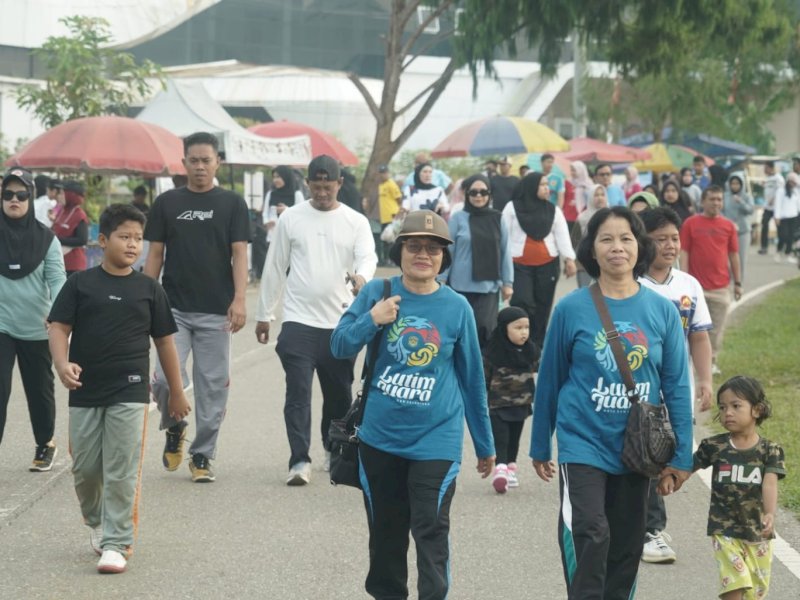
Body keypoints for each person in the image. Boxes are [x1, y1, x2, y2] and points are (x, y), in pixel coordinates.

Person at [330, 209, 495, 600]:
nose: (424, 254)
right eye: (414, 246)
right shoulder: (378, 293)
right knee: (386, 538)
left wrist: (486, 445)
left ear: (443, 259)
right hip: (380, 439)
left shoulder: (457, 308)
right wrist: (373, 318)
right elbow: (339, 345)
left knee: (431, 530)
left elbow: (473, 380)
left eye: (433, 249)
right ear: (399, 251)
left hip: (435, 440)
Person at [531, 205, 693, 600]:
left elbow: (676, 386)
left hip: (637, 447)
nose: (617, 247)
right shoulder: (571, 309)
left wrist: (683, 455)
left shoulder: (662, 311)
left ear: (640, 246)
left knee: (626, 542)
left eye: (626, 238)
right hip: (582, 441)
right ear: (592, 249)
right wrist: (540, 444)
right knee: (590, 532)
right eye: (606, 239)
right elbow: (550, 379)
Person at [48, 203, 190, 574]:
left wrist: (176, 391)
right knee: (87, 469)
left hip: (130, 390)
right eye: (124, 237)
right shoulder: (79, 284)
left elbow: (165, 343)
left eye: (138, 239)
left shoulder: (148, 289)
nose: (132, 245)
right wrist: (62, 364)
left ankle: (117, 541)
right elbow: (58, 328)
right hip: (85, 389)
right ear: (103, 239)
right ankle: (98, 521)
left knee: (122, 467)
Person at [255, 154, 377, 485]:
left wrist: (363, 277)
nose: (322, 193)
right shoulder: (292, 218)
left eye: (328, 187)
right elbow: (275, 266)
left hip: (340, 322)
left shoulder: (355, 221)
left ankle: (330, 446)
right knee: (298, 390)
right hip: (298, 320)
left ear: (339, 184)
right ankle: (299, 459)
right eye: (316, 186)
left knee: (338, 393)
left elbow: (368, 255)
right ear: (307, 184)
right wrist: (264, 314)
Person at [144, 131, 250, 483]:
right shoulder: (167, 203)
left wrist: (239, 299)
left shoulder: (232, 203)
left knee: (213, 385)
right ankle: (174, 426)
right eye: (194, 160)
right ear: (184, 162)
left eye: (207, 160)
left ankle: (203, 454)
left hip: (216, 312)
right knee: (161, 380)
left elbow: (239, 253)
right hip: (172, 310)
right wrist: (144, 298)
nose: (200, 166)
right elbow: (155, 254)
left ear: (217, 161)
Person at [639, 207, 714, 564]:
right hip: (639, 388)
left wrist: (705, 380)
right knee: (648, 453)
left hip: (677, 388)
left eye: (674, 238)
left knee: (667, 455)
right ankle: (650, 529)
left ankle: (645, 524)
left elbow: (699, 337)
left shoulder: (688, 285)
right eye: (660, 240)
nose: (670, 246)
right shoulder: (633, 284)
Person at [687, 376, 785, 600]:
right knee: (734, 581)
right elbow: (687, 467)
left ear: (757, 410)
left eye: (736, 406)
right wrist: (671, 479)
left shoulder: (770, 450)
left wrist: (769, 513)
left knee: (757, 590)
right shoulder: (714, 446)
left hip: (757, 530)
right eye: (722, 407)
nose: (727, 412)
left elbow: (769, 483)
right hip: (725, 528)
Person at [0, 168, 66, 471]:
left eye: (22, 194)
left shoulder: (47, 240)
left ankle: (45, 442)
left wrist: (59, 318)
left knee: (39, 390)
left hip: (37, 327)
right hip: (1, 325)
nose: (15, 199)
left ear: (31, 196)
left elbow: (59, 281)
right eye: (8, 194)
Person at [502, 172, 576, 349]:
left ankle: (537, 348)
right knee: (523, 303)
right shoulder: (512, 208)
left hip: (547, 266)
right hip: (518, 265)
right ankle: (519, 344)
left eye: (547, 185)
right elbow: (503, 237)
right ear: (531, 187)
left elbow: (562, 237)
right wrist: (501, 265)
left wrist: (569, 259)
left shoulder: (553, 210)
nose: (547, 188)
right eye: (542, 185)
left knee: (543, 307)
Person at [444, 174, 513, 347]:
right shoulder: (458, 218)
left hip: (488, 286)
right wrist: (441, 278)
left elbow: (505, 251)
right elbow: (447, 251)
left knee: (485, 329)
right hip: (459, 286)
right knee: (459, 330)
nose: (478, 196)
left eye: (483, 192)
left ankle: (482, 371)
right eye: (473, 192)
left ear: (489, 194)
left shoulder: (499, 218)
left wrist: (508, 282)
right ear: (467, 194)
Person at [680, 185, 742, 376]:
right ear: (702, 201)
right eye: (712, 199)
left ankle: (711, 361)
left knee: (716, 329)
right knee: (690, 327)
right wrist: (684, 280)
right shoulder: (690, 224)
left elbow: (733, 255)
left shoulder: (728, 226)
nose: (716, 203)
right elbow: (684, 252)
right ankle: (688, 361)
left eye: (719, 199)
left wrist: (738, 283)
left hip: (720, 288)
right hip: (695, 287)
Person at [483, 306, 539, 494]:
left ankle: (510, 468)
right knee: (501, 438)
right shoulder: (493, 353)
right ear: (504, 328)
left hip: (521, 403)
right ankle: (500, 469)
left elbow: (542, 367)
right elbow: (483, 378)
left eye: (526, 327)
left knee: (515, 438)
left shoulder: (530, 351)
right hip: (497, 404)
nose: (524, 332)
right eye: (518, 328)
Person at [263, 165, 305, 258]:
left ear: (286, 177)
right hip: (273, 236)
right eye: (274, 177)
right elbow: (265, 213)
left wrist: (287, 210)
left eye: (278, 177)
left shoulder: (296, 194)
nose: (275, 180)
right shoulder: (271, 194)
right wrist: (266, 222)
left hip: (291, 237)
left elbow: (303, 214)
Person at [571, 183, 608, 288]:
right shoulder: (582, 218)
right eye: (596, 195)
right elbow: (575, 241)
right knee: (587, 294)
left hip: (607, 264)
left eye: (602, 194)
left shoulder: (612, 216)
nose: (600, 198)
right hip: (585, 265)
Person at [52, 180, 89, 276]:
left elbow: (82, 240)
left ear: (71, 196)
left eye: (61, 193)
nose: (58, 196)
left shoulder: (79, 214)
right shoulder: (62, 211)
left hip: (73, 266)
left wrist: (57, 239)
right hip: (60, 263)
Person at [723, 174, 755, 280]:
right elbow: (721, 211)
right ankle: (728, 278)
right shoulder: (725, 196)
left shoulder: (746, 196)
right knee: (726, 257)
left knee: (741, 257)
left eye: (737, 183)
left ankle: (739, 280)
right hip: (728, 230)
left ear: (741, 184)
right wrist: (728, 222)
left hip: (743, 231)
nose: (735, 186)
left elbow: (751, 210)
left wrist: (741, 202)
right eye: (733, 183)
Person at [375, 164, 403, 266]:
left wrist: (398, 213)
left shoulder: (391, 184)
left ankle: (393, 260)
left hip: (392, 216)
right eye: (381, 173)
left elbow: (399, 199)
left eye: (385, 173)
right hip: (384, 217)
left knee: (392, 240)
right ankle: (386, 260)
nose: (383, 175)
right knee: (385, 240)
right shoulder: (381, 185)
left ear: (388, 173)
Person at [773, 172, 800, 265]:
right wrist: (777, 217)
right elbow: (778, 204)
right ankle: (778, 251)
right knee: (783, 236)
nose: (792, 184)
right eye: (791, 182)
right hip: (783, 217)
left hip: (793, 216)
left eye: (794, 182)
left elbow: (798, 205)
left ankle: (788, 254)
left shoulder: (795, 191)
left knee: (791, 237)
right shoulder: (781, 191)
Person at [759, 160, 783, 255]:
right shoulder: (768, 178)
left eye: (766, 168)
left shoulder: (779, 178)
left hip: (777, 208)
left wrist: (774, 199)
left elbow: (780, 191)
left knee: (779, 228)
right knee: (764, 224)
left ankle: (780, 247)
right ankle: (764, 247)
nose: (764, 170)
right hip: (767, 207)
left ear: (771, 168)